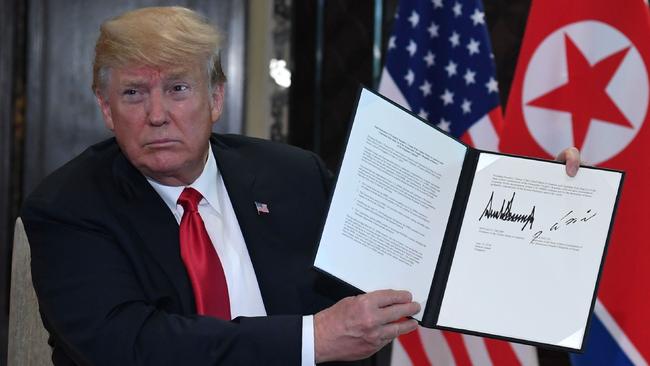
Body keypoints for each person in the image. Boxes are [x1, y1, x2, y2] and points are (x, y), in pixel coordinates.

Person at [20, 6, 581, 366]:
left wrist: (532, 199)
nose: (159, 114)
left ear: (216, 99)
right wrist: (313, 339)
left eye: (178, 87)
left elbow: (424, 241)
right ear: (105, 108)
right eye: (135, 94)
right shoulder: (69, 207)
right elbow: (134, 347)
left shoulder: (291, 176)